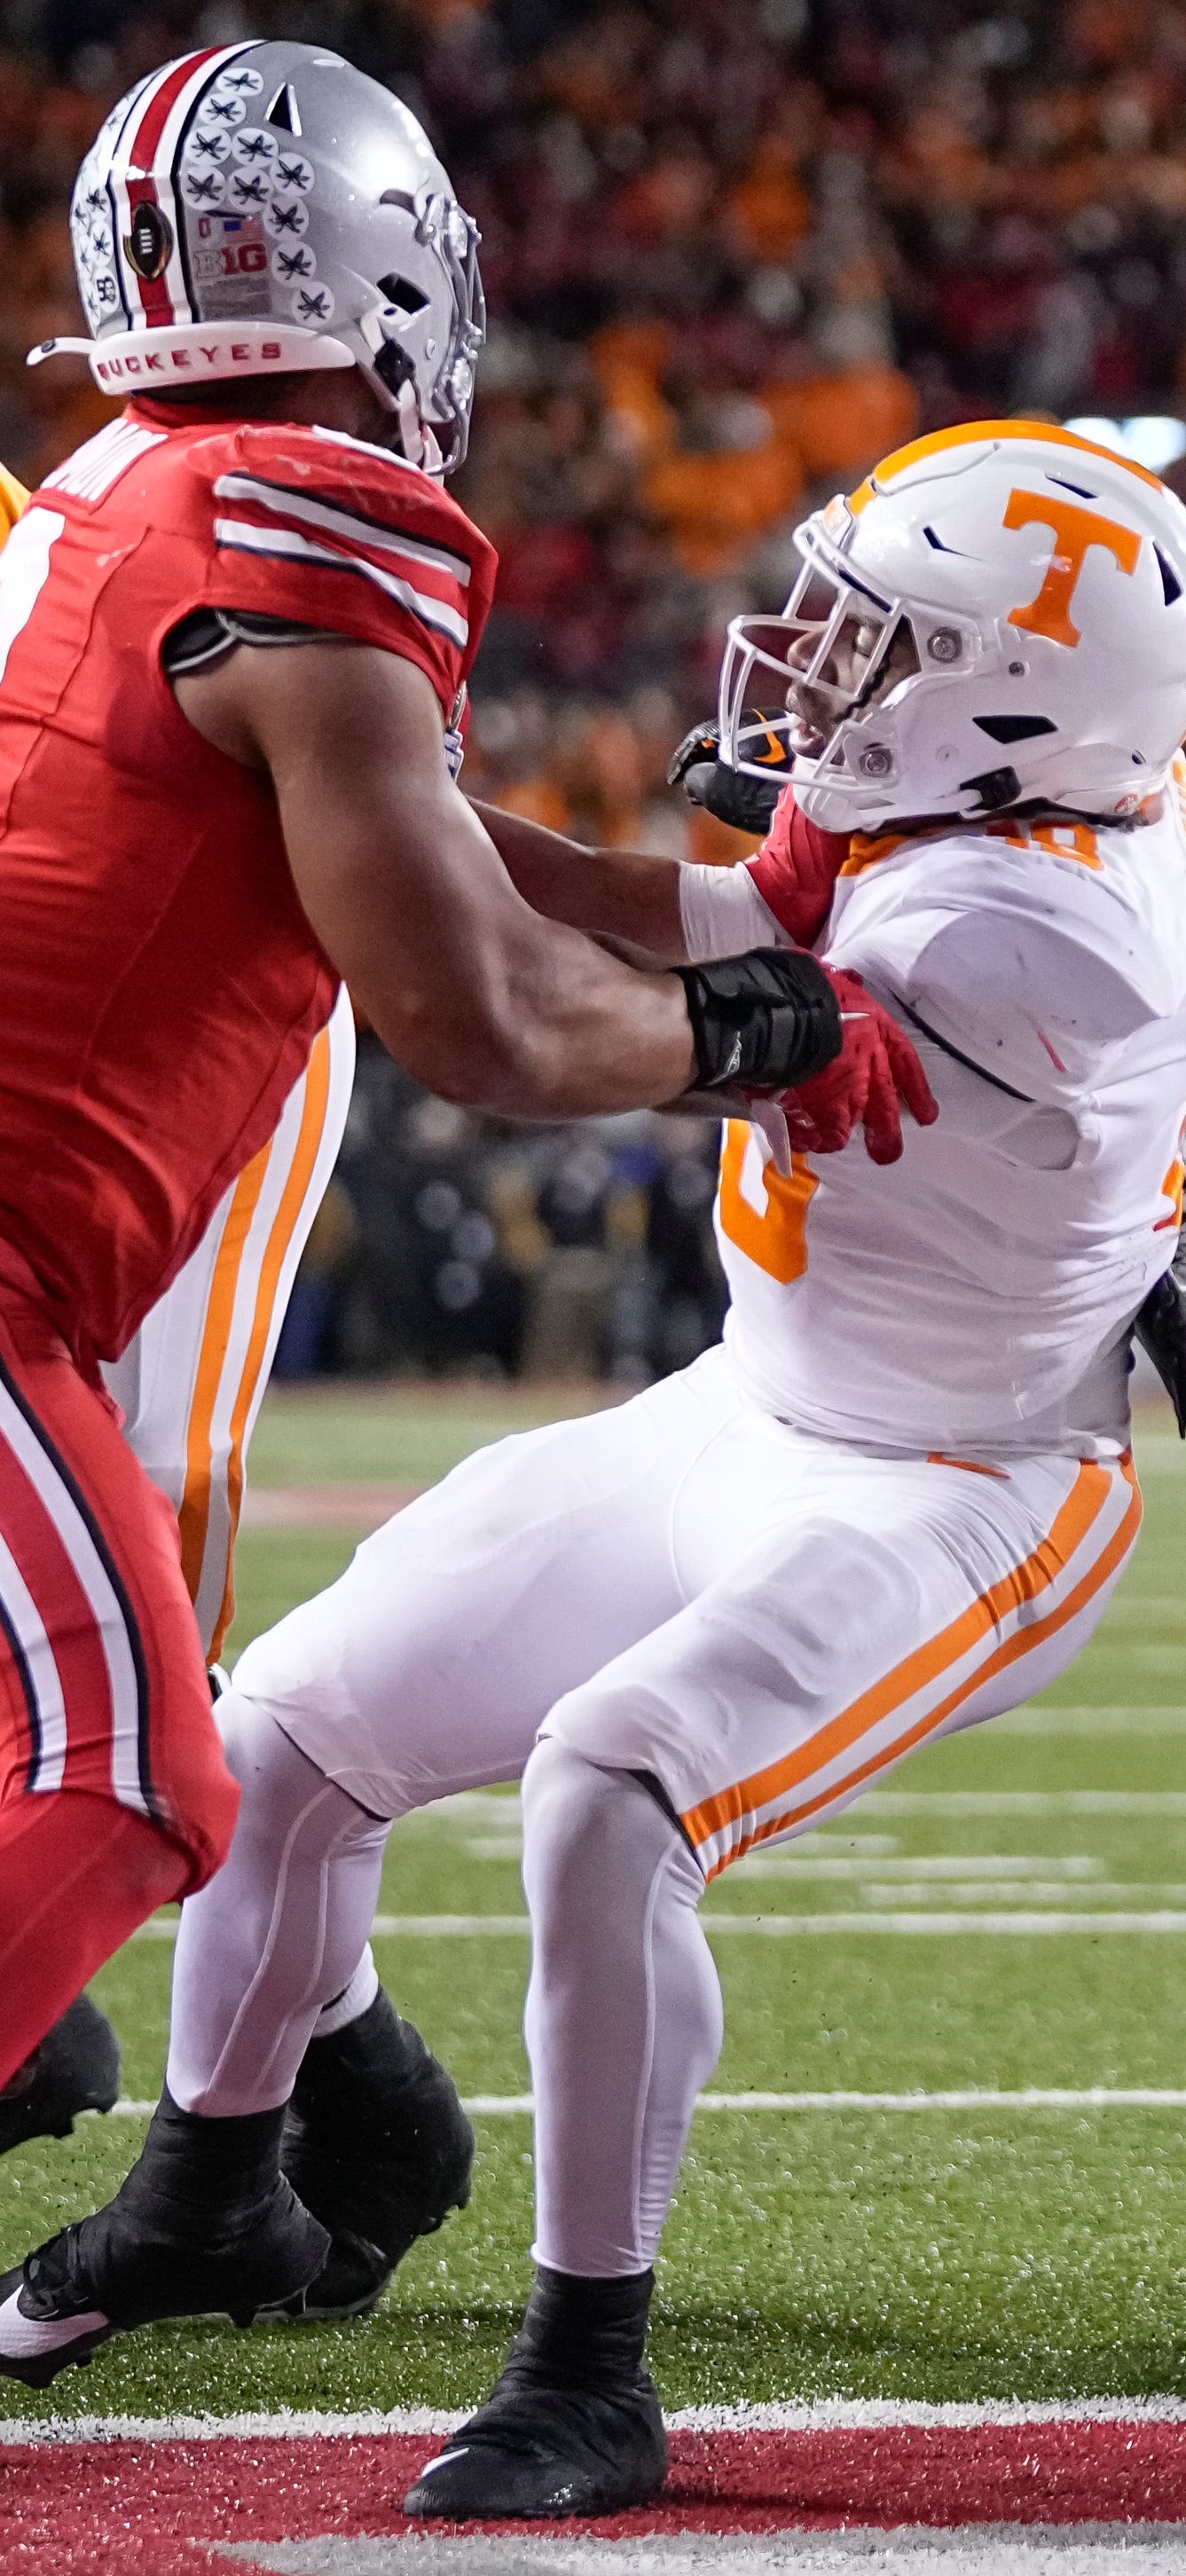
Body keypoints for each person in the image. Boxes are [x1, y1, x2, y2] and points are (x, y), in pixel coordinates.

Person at [6, 420, 1186, 2530]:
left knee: (612, 1783)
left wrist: (376, 843)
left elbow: (607, 1012)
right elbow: (717, 902)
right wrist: (362, 797)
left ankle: (590, 2360)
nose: (815, 662)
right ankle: (213, 2194)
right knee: (276, 1734)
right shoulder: (1024, 783)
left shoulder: (1042, 941)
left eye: (883, 641)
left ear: (1021, 700)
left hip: (967, 1486)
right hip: (752, 1406)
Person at [0, 38, 898, 2267]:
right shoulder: (318, 512)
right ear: (388, 266)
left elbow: (375, 825)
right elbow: (476, 1024)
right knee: (130, 1769)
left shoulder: (107, 491)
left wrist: (665, 910)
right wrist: (749, 1030)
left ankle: (303, 2096)